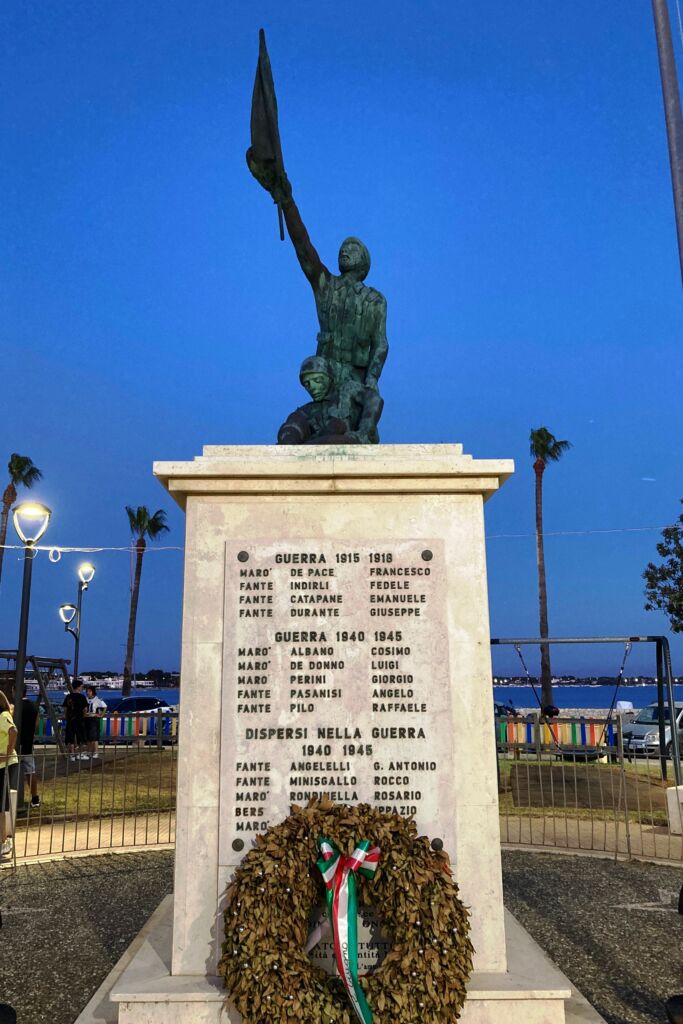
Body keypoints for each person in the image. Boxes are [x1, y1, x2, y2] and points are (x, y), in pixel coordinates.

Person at [278, 356, 383, 445]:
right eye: (307, 384)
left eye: (317, 380)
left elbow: (373, 399)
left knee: (337, 429)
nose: (312, 387)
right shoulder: (305, 411)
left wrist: (365, 430)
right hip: (317, 447)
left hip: (346, 442)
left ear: (329, 378)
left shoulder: (347, 391)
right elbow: (292, 427)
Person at [0, 690, 18, 860]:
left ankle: (4, 841)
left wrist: (8, 752)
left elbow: (13, 731)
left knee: (1, 804)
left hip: (5, 764)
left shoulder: (3, 715)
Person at [18, 692, 39, 808]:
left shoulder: (16, 706)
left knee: (10, 771)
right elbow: (36, 724)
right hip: (28, 744)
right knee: (30, 771)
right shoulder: (33, 706)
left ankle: (11, 797)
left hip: (16, 744)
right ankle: (35, 798)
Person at [64, 681, 88, 762]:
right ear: (78, 687)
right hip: (79, 719)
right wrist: (84, 716)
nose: (82, 688)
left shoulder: (68, 697)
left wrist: (66, 716)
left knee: (70, 737)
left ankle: (72, 755)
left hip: (70, 719)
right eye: (81, 686)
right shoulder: (82, 697)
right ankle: (79, 754)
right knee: (80, 737)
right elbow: (85, 709)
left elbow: (65, 709)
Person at [85, 685, 107, 759]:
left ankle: (95, 752)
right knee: (88, 737)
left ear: (93, 692)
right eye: (87, 691)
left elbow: (105, 707)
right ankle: (89, 752)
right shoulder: (85, 699)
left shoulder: (97, 700)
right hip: (87, 719)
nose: (88, 693)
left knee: (94, 737)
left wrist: (101, 715)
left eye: (89, 691)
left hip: (94, 719)